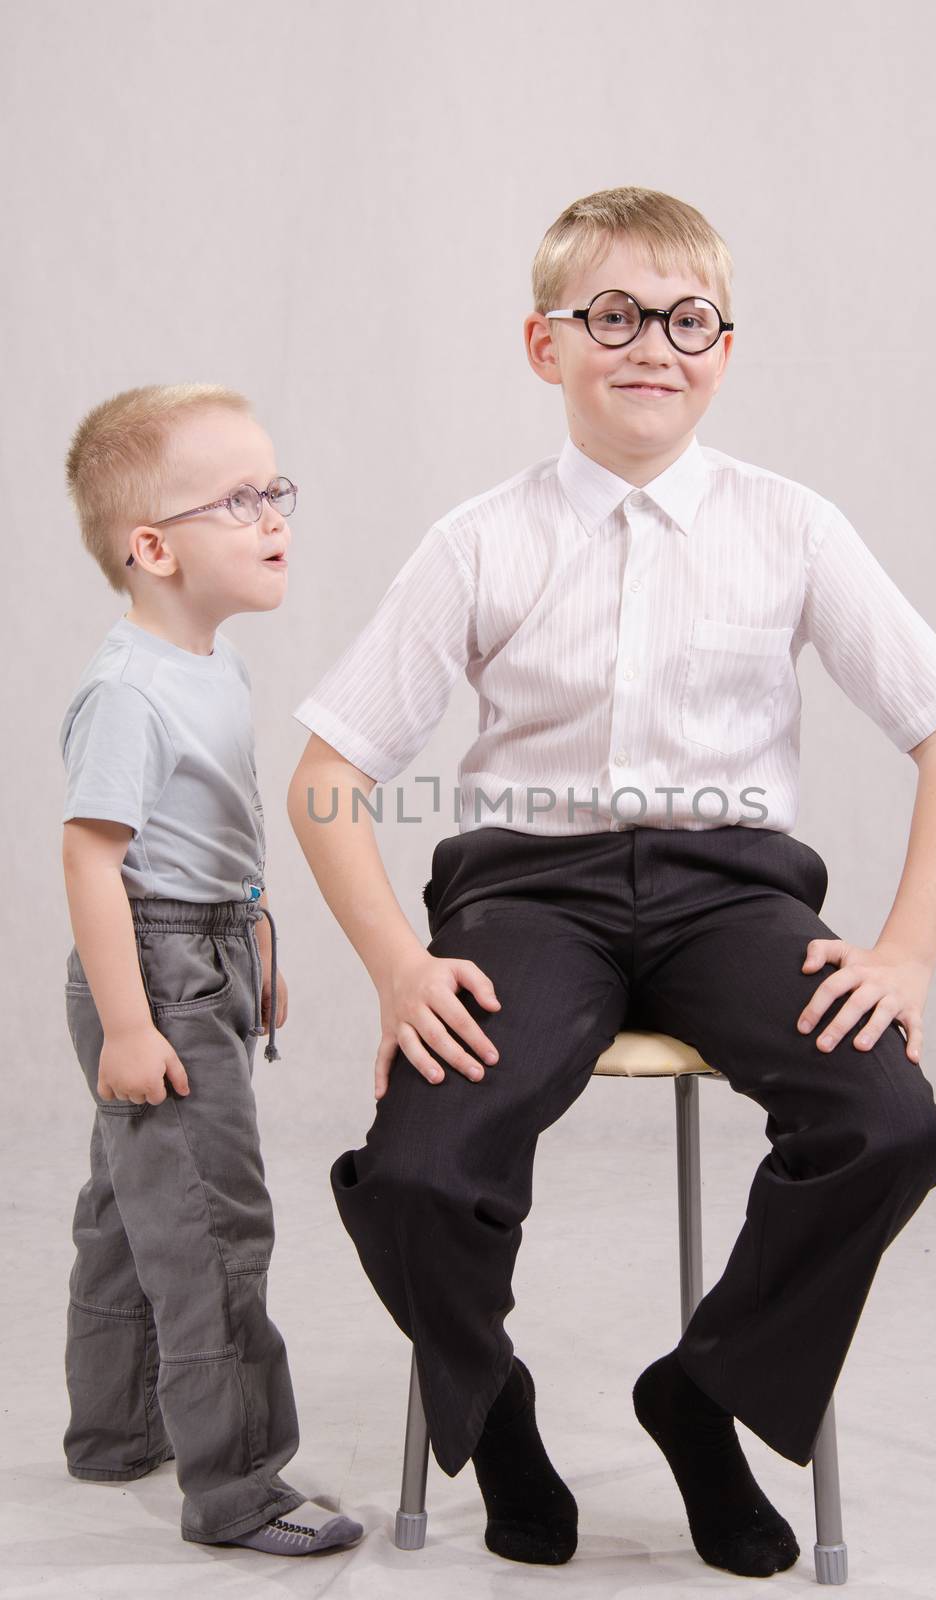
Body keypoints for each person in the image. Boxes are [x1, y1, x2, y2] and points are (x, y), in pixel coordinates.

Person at [287, 187, 936, 1577]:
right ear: (543, 343)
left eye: (684, 320)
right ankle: (490, 1404)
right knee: (421, 1165)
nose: (649, 346)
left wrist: (905, 951)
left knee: (886, 1123)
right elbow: (327, 771)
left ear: (722, 349)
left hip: (729, 898)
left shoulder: (788, 526)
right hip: (526, 898)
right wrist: (393, 961)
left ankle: (704, 1394)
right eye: (610, 315)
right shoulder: (478, 539)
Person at [59, 383, 364, 1557]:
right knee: (211, 1225)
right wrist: (133, 1027)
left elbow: (220, 826)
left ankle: (115, 1428)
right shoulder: (129, 688)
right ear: (152, 547)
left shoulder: (208, 661)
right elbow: (95, 865)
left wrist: (259, 939)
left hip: (210, 951)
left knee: (130, 1210)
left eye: (274, 489)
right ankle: (237, 1483)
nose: (272, 513)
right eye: (237, 499)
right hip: (155, 968)